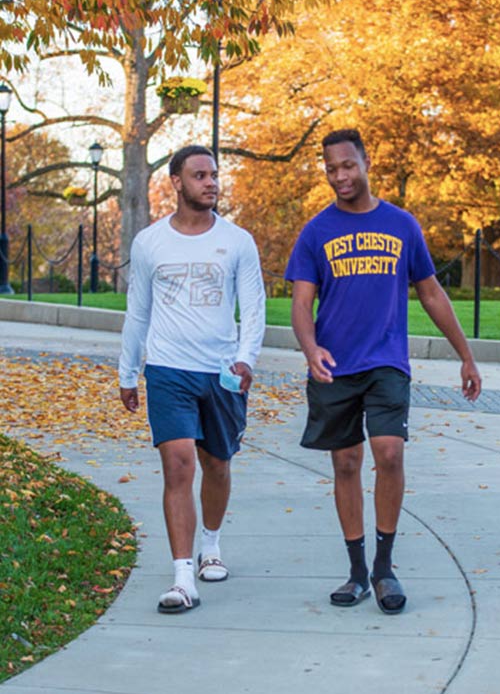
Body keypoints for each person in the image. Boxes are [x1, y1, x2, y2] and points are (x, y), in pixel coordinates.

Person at [285, 128, 481, 615]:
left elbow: (431, 292)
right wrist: (310, 349)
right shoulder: (316, 231)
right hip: (335, 364)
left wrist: (466, 355)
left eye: (347, 165)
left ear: (366, 163)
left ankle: (384, 567)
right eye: (331, 169)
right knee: (346, 463)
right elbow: (301, 303)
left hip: (386, 361)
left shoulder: (401, 225)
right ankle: (356, 572)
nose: (340, 176)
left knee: (389, 454)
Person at [118, 145, 265, 614]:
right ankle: (183, 576)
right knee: (178, 464)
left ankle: (211, 544)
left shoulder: (238, 241)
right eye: (200, 175)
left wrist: (246, 360)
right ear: (176, 182)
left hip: (221, 372)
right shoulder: (150, 243)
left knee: (217, 464)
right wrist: (128, 371)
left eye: (214, 175)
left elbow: (254, 307)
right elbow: (138, 311)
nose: (211, 182)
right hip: (167, 369)